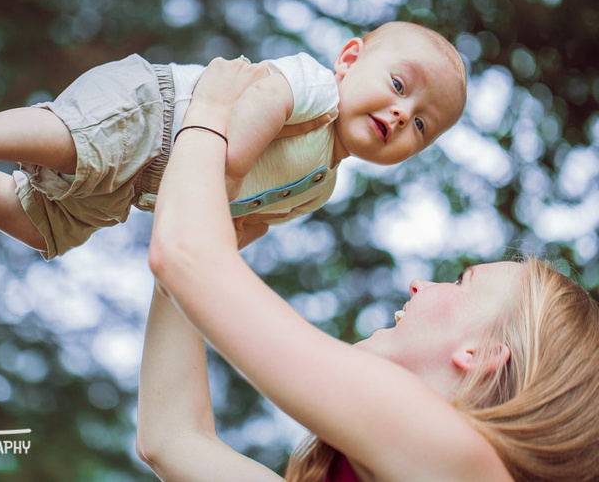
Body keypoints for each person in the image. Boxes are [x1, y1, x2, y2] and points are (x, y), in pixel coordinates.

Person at [138, 57, 599, 481]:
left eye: (463, 282)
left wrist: (206, 115)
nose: (420, 285)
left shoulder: (462, 464)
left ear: (481, 355)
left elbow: (186, 257)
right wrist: (197, 231)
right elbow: (172, 437)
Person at [0, 21, 466, 260]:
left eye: (421, 124)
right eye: (398, 86)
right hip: (155, 110)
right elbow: (265, 97)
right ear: (350, 60)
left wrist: (217, 249)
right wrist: (225, 167)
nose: (400, 113)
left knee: (49, 227)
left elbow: (255, 220)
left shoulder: (322, 185)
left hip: (140, 189)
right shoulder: (317, 88)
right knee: (76, 140)